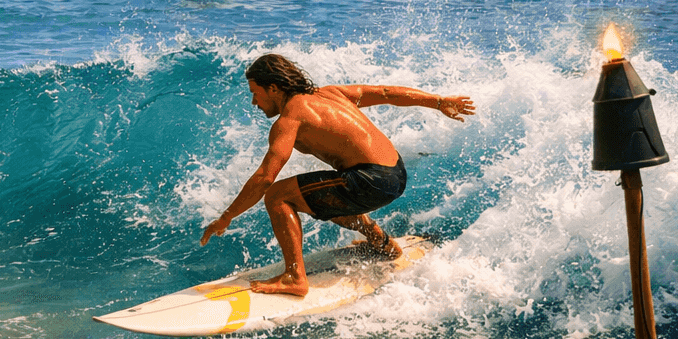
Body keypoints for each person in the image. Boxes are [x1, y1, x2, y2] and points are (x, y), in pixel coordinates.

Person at [200, 53, 475, 296]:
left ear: (273, 88)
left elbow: (265, 178)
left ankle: (295, 277)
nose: (253, 102)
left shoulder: (290, 120)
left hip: (371, 179)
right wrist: (439, 101)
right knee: (320, 194)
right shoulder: (332, 93)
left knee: (278, 196)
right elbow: (386, 92)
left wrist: (226, 217)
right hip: (396, 173)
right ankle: (382, 243)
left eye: (255, 93)